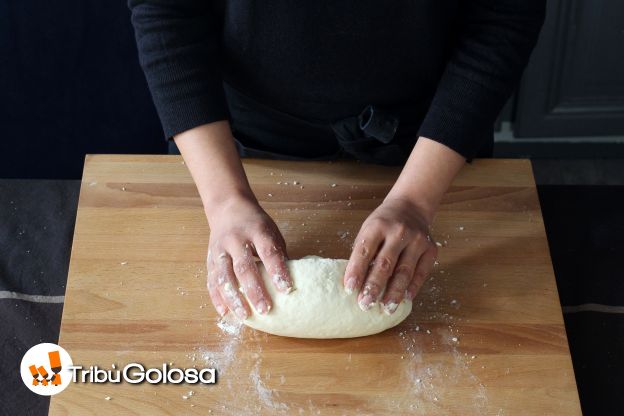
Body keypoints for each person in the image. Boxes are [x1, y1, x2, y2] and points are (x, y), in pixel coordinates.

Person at [128, 1, 545, 319]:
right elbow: (167, 11)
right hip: (234, 143)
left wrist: (416, 201)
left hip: (432, 138)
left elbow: (503, 17)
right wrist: (224, 202)